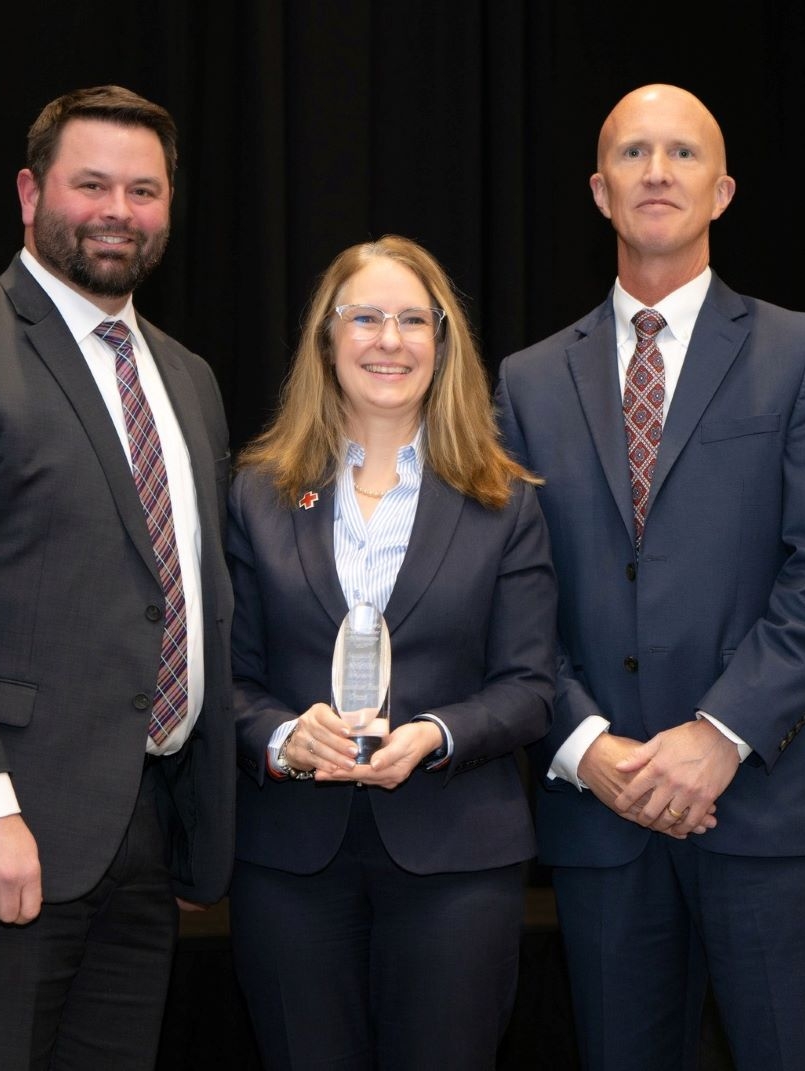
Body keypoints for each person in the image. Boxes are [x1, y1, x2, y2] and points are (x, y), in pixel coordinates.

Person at [495, 83, 805, 1069]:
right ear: (597, 190)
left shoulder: (803, 355)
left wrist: (719, 737)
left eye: (681, 154)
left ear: (723, 190)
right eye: (632, 154)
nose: (656, 172)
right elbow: (509, 590)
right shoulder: (527, 383)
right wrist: (589, 749)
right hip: (601, 821)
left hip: (766, 808)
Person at [0, 85, 235, 1070]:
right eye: (92, 183)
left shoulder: (186, 376)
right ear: (31, 194)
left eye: (143, 190)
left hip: (138, 836)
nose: (119, 211)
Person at [226, 234, 557, 1069]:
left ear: (442, 343)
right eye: (364, 316)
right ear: (326, 338)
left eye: (414, 319)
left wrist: (436, 734)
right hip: (292, 859)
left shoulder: (502, 499)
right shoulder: (257, 492)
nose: (389, 338)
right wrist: (280, 737)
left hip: (457, 860)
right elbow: (226, 678)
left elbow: (529, 686)